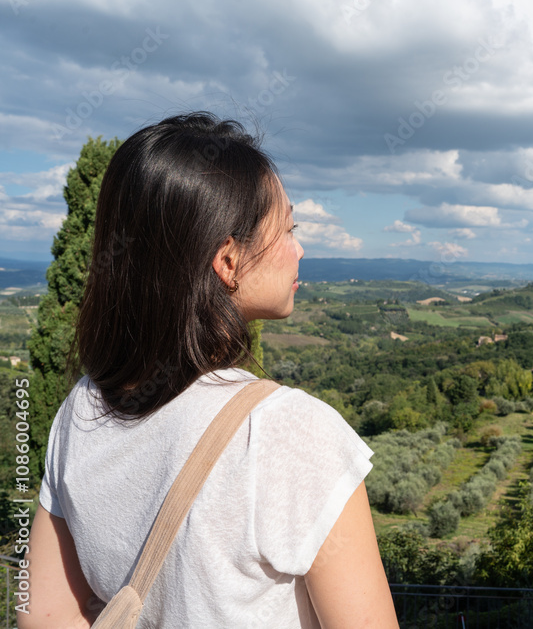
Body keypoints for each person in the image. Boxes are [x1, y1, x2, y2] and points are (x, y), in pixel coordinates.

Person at [24, 113, 399, 628]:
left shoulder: (83, 408)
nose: (300, 248)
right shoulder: (291, 432)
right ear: (227, 261)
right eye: (288, 228)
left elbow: (42, 613)